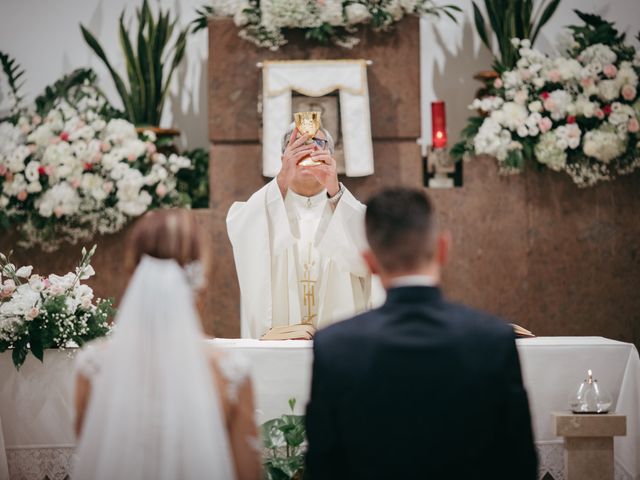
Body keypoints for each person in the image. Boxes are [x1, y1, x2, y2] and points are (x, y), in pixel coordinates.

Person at [305, 188, 538, 480]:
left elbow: (323, 466)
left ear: (369, 262)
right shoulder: (492, 340)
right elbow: (520, 463)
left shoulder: (335, 346)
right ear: (443, 249)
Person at [72, 210, 261, 480]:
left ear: (132, 268)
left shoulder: (93, 366)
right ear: (201, 276)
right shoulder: (229, 371)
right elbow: (247, 474)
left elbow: (93, 461)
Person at [227, 122, 378, 338]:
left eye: (317, 145)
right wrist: (281, 180)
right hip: (280, 348)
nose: (308, 152)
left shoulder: (347, 211)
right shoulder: (264, 211)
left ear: (332, 159)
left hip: (341, 348)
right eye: (298, 146)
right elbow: (242, 232)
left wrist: (335, 191)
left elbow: (367, 259)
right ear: (283, 158)